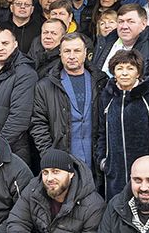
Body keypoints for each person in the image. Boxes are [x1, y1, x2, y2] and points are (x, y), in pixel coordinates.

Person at [95, 49, 149, 202]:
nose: (124, 73)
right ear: (113, 72)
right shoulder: (107, 96)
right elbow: (101, 132)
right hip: (114, 173)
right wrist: (103, 161)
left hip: (145, 173)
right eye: (119, 68)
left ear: (138, 73)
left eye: (130, 68)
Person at [31, 33, 106, 168]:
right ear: (60, 53)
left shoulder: (100, 82)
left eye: (77, 51)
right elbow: (38, 124)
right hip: (62, 160)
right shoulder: (45, 85)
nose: (72, 56)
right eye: (67, 51)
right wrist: (50, 155)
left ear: (85, 53)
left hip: (95, 160)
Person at [0, 28, 38, 163]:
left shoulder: (25, 73)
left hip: (12, 149)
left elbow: (19, 118)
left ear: (15, 44)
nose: (0, 48)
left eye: (5, 43)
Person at [94, 4, 149, 77]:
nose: (124, 27)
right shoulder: (107, 40)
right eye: (121, 21)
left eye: (130, 22)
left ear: (143, 24)